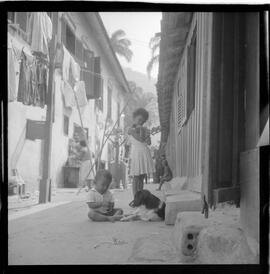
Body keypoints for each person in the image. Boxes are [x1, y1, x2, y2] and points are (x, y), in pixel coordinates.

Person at [128, 108, 155, 197]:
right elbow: (139, 138)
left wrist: (148, 136)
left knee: (142, 177)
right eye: (139, 120)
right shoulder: (130, 129)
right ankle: (135, 197)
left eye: (143, 121)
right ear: (134, 118)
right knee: (136, 177)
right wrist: (143, 131)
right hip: (136, 154)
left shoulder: (144, 129)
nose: (140, 123)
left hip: (144, 153)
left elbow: (148, 143)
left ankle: (140, 197)